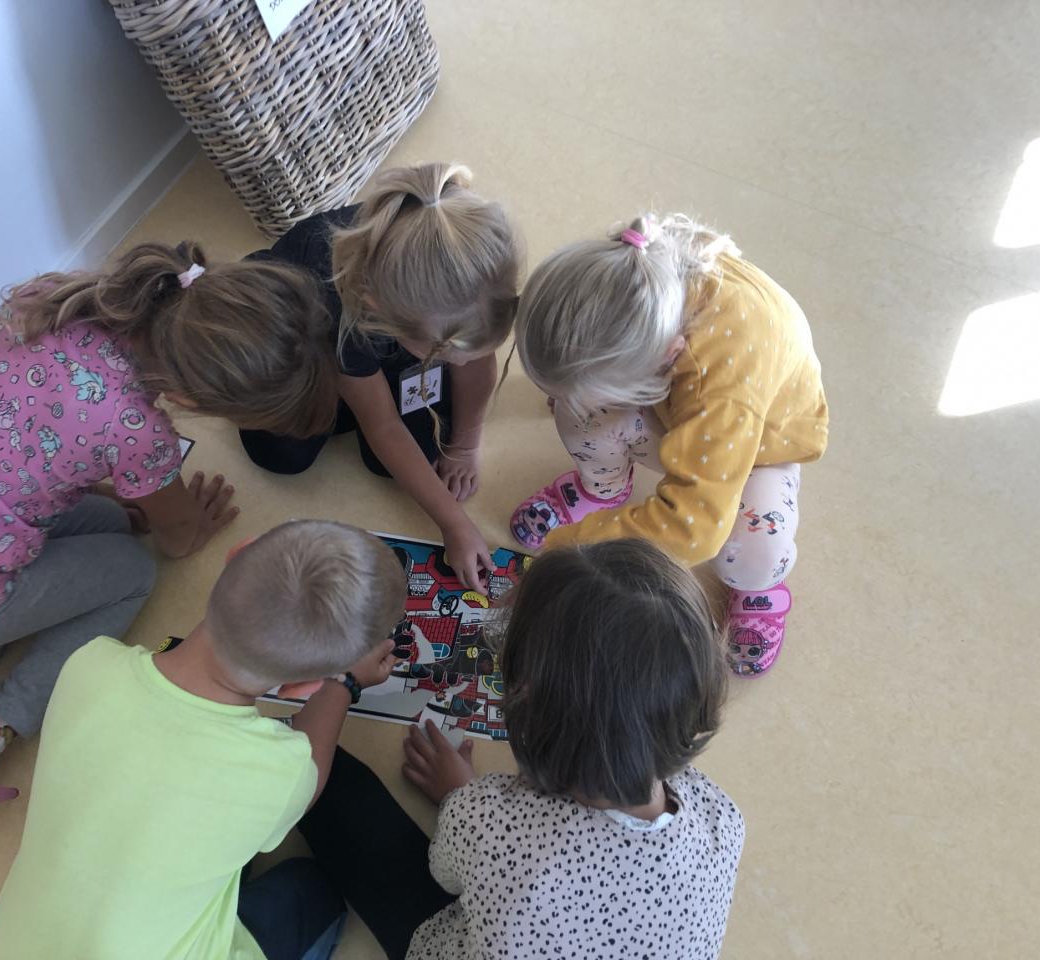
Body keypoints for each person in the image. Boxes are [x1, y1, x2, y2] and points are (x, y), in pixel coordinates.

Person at [0, 242, 337, 875]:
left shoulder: (57, 297)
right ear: (193, 401)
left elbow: (42, 451)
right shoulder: (141, 433)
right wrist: (190, 519)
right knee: (133, 573)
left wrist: (134, 501)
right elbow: (178, 540)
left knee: (110, 523)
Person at [294, 539, 743, 960]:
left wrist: (459, 799)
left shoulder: (488, 821)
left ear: (526, 705)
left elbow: (445, 873)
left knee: (321, 782)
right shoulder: (723, 819)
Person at [0, 520, 407, 960]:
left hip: (13, 949)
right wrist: (345, 684)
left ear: (234, 554)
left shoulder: (89, 660)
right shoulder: (282, 773)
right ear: (302, 687)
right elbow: (309, 781)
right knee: (315, 893)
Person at [508, 214, 829, 676]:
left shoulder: (722, 386)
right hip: (684, 406)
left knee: (752, 552)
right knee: (580, 409)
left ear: (668, 356)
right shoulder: (637, 269)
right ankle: (604, 488)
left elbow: (694, 528)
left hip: (762, 448)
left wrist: (567, 550)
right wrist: (579, 394)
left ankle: (760, 589)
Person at [238, 162, 523, 592]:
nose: (461, 363)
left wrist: (465, 445)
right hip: (308, 343)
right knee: (281, 455)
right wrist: (454, 523)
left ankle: (372, 380)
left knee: (399, 460)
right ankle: (350, 386)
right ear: (381, 312)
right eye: (446, 354)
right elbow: (384, 425)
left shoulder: (471, 283)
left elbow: (475, 360)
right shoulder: (336, 308)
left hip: (387, 332)